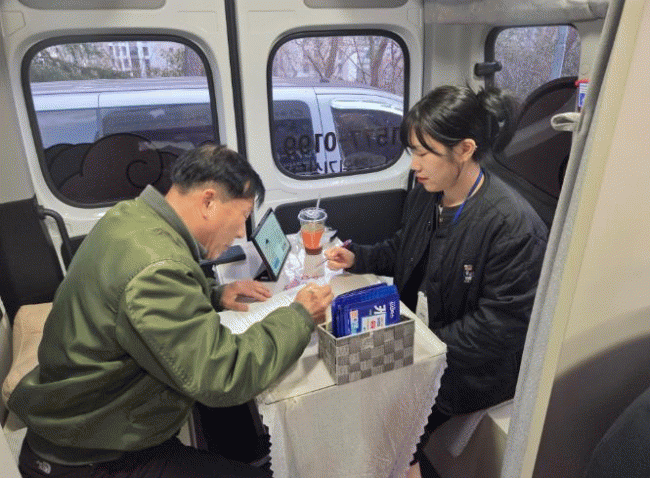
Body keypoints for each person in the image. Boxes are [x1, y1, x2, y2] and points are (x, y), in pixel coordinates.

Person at [8, 144, 333, 478]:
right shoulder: (158, 269)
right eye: (242, 216)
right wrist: (300, 315)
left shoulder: (130, 217)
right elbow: (224, 374)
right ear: (209, 202)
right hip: (91, 457)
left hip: (89, 422)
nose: (240, 232)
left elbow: (131, 298)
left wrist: (214, 294)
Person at [325, 85, 548, 477]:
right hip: (424, 338)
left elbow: (500, 327)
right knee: (348, 380)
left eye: (424, 153)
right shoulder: (428, 194)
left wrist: (416, 346)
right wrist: (359, 257)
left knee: (385, 420)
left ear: (464, 149)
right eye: (413, 152)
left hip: (473, 367)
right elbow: (403, 247)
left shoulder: (511, 226)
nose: (415, 165)